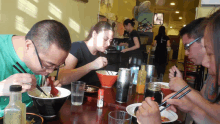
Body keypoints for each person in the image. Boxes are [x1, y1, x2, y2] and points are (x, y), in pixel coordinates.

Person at [0, 20, 72, 117]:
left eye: (56, 67)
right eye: (48, 65)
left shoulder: (41, 57)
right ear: (28, 46)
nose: (49, 71)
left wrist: (44, 90)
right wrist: (1, 88)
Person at [58, 21, 113, 87]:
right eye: (105, 39)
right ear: (94, 34)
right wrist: (92, 65)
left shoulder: (101, 53)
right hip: (74, 96)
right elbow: (62, 79)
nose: (109, 44)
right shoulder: (76, 47)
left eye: (110, 40)